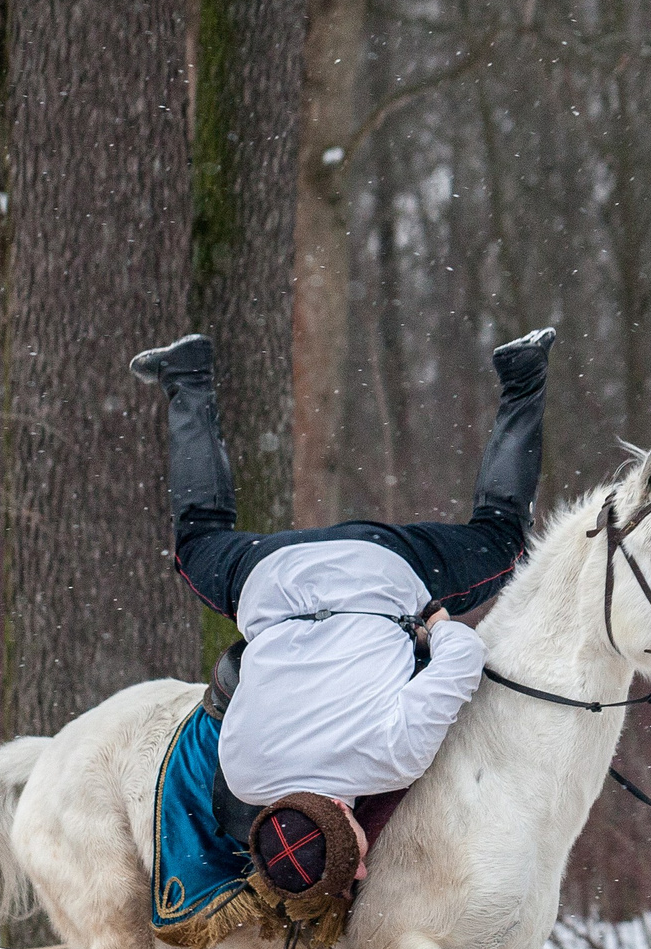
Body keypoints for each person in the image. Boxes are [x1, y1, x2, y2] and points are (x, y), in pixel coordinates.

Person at [129, 327, 556, 812]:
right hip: (270, 571)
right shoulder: (244, 778)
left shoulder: (395, 760)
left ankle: (524, 376)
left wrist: (434, 624)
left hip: (385, 563)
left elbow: (464, 659)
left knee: (501, 535)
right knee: (199, 535)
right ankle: (187, 377)